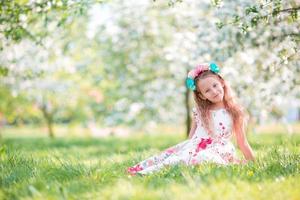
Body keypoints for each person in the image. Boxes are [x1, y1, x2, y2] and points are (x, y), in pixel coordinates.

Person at [127, 63, 255, 176]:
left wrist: (253, 163)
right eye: (207, 90)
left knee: (204, 157)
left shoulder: (235, 112)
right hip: (195, 147)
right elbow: (191, 138)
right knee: (174, 160)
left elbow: (242, 142)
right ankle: (145, 173)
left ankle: (223, 164)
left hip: (220, 149)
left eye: (215, 85)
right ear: (202, 96)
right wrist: (187, 150)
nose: (214, 91)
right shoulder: (199, 112)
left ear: (221, 82)